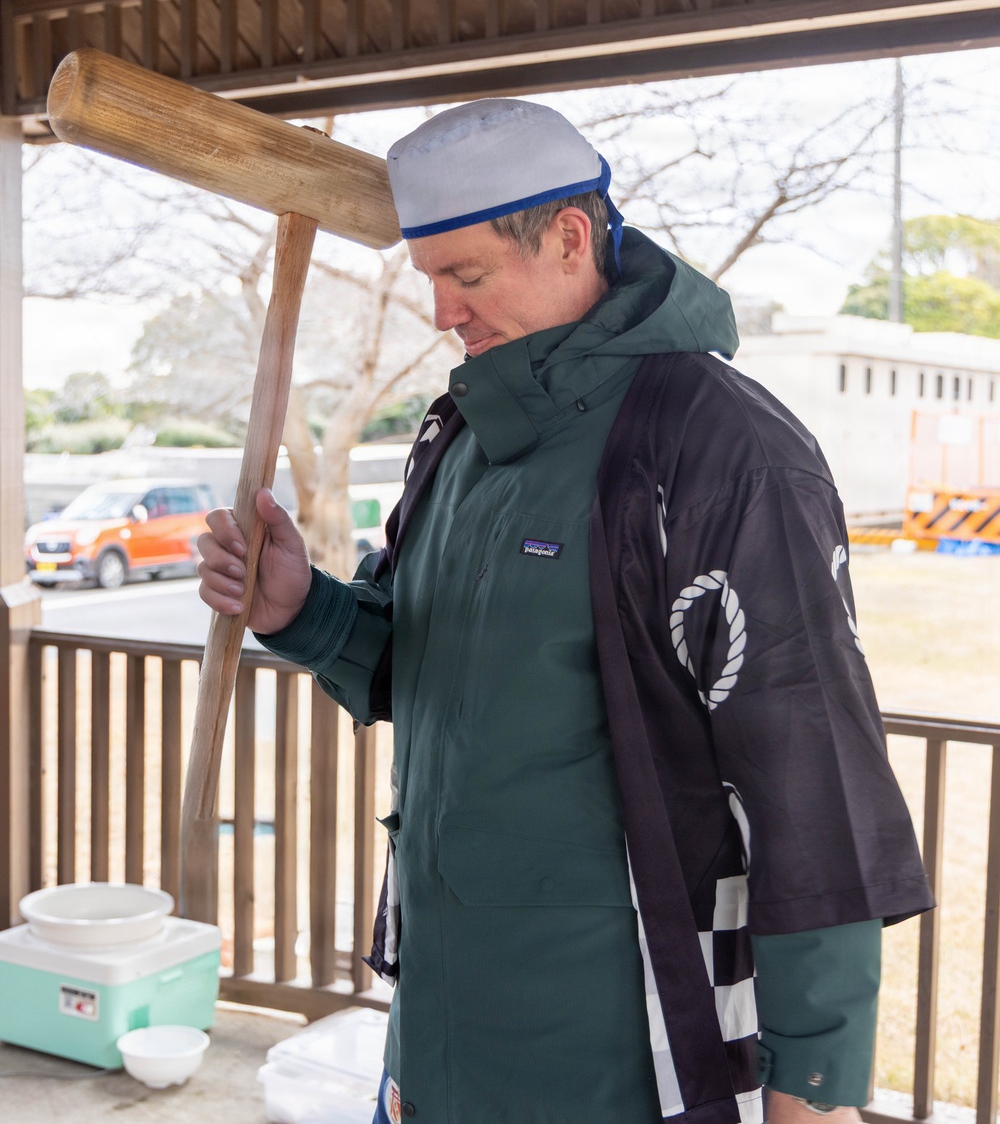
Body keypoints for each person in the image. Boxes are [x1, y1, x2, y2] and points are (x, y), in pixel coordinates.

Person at [198, 99, 932, 1124]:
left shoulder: (721, 448)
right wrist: (304, 610)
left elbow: (809, 776)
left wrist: (814, 1084)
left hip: (620, 1054)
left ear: (570, 238)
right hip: (437, 1038)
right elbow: (437, 668)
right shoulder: (459, 435)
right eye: (430, 279)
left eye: (466, 275)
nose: (443, 313)